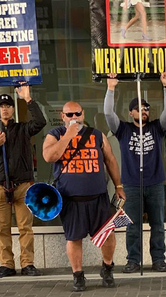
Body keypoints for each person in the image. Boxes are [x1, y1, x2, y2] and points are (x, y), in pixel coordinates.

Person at [42, 102, 125, 291]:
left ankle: (107, 268)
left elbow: (110, 159)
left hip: (98, 197)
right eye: (69, 114)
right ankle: (78, 275)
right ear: (62, 116)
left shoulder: (96, 134)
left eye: (77, 114)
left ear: (83, 114)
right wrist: (68, 136)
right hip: (71, 199)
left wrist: (118, 186)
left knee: (108, 235)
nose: (74, 118)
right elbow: (49, 156)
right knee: (74, 238)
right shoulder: (54, 135)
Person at [105, 73, 166, 273]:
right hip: (132, 184)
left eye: (146, 109)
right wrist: (110, 88)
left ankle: (158, 259)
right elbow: (109, 114)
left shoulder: (156, 128)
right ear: (130, 113)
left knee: (158, 225)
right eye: (138, 109)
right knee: (132, 226)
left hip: (155, 183)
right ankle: (133, 260)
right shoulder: (123, 129)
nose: (143, 111)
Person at [0, 85, 46, 278]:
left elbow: (40, 122)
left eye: (8, 105)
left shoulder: (22, 129)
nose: (5, 109)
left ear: (13, 109)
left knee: (25, 228)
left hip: (22, 186)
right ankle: (6, 264)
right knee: (2, 228)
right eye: (1, 106)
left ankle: (28, 263)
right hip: (1, 187)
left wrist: (28, 99)